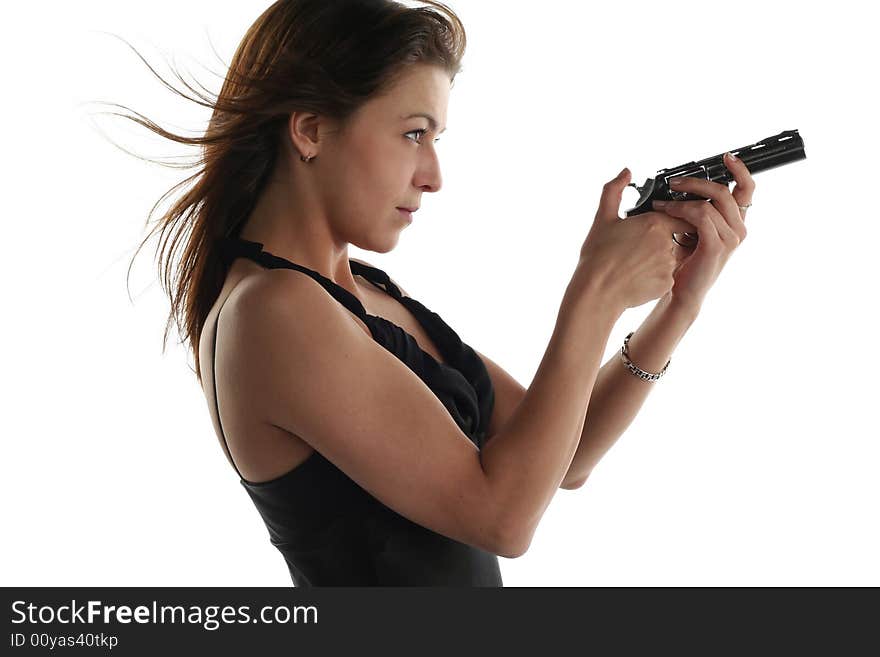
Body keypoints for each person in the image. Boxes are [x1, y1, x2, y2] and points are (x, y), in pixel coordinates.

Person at [118, 0, 755, 586]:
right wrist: (595, 291)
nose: (434, 176)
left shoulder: (359, 292)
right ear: (309, 130)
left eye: (435, 139)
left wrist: (679, 306)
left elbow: (565, 459)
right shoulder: (272, 312)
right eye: (413, 133)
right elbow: (503, 518)